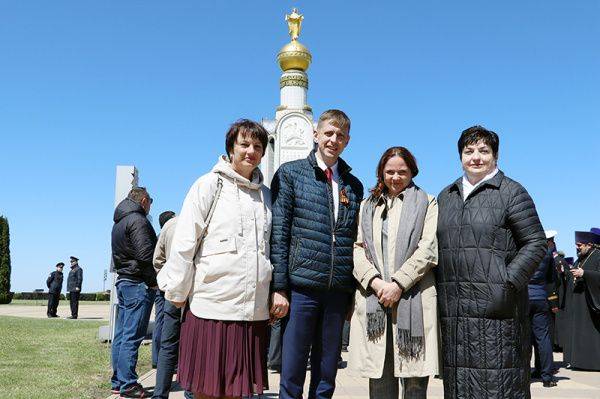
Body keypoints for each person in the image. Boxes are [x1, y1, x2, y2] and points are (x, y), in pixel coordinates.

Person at [158, 119, 274, 399]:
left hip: (252, 310)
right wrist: (177, 291)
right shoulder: (209, 185)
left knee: (238, 390)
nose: (251, 151)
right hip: (212, 307)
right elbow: (186, 240)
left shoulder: (266, 196)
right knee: (206, 389)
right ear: (230, 149)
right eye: (244, 144)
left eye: (257, 146)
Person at [435, 126, 546, 399]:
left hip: (498, 314)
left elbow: (535, 243)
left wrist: (505, 285)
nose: (476, 157)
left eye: (483, 151)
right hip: (455, 313)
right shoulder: (446, 196)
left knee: (499, 387)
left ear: (495, 156)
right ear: (460, 155)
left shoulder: (511, 192)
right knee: (460, 387)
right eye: (469, 151)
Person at [270, 109, 364, 399]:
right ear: (316, 135)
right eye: (328, 133)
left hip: (336, 291)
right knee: (293, 372)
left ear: (347, 141)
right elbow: (280, 234)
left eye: (340, 135)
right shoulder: (291, 174)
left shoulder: (353, 185)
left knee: (326, 375)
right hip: (301, 290)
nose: (333, 140)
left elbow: (353, 240)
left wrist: (350, 293)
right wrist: (281, 287)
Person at [348, 147, 439, 399]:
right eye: (390, 172)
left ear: (412, 172)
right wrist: (377, 283)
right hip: (375, 299)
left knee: (414, 383)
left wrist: (398, 283)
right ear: (381, 173)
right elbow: (356, 249)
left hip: (413, 298)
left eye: (402, 172)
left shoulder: (427, 202)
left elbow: (428, 249)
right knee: (380, 379)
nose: (396, 177)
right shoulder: (367, 206)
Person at [111, 187, 158, 398]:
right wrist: (153, 281)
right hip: (137, 283)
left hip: (124, 281)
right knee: (131, 336)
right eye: (150, 202)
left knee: (121, 335)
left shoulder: (119, 222)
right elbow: (145, 255)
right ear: (144, 200)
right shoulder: (138, 220)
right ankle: (128, 384)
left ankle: (118, 381)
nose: (150, 207)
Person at [152, 211, 193, 399]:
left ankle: (160, 394)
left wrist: (166, 282)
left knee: (168, 345)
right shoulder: (200, 222)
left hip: (172, 291)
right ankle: (191, 391)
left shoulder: (169, 226)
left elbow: (157, 260)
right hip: (195, 293)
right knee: (192, 345)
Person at [562, 230, 600, 371]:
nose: (577, 247)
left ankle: (593, 363)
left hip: (591, 302)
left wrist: (585, 274)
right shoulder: (580, 258)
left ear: (589, 245)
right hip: (578, 302)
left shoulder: (598, 256)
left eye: (579, 245)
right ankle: (580, 361)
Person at [527, 230, 558, 387]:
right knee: (543, 338)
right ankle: (547, 377)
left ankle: (524, 374)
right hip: (540, 297)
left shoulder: (522, 250)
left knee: (524, 338)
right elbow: (552, 279)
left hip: (524, 297)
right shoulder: (547, 253)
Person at [151, 211, 176, 369]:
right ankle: (166, 361)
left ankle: (156, 359)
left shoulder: (159, 236)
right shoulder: (171, 234)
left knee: (159, 321)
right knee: (168, 323)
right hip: (168, 285)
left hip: (161, 283)